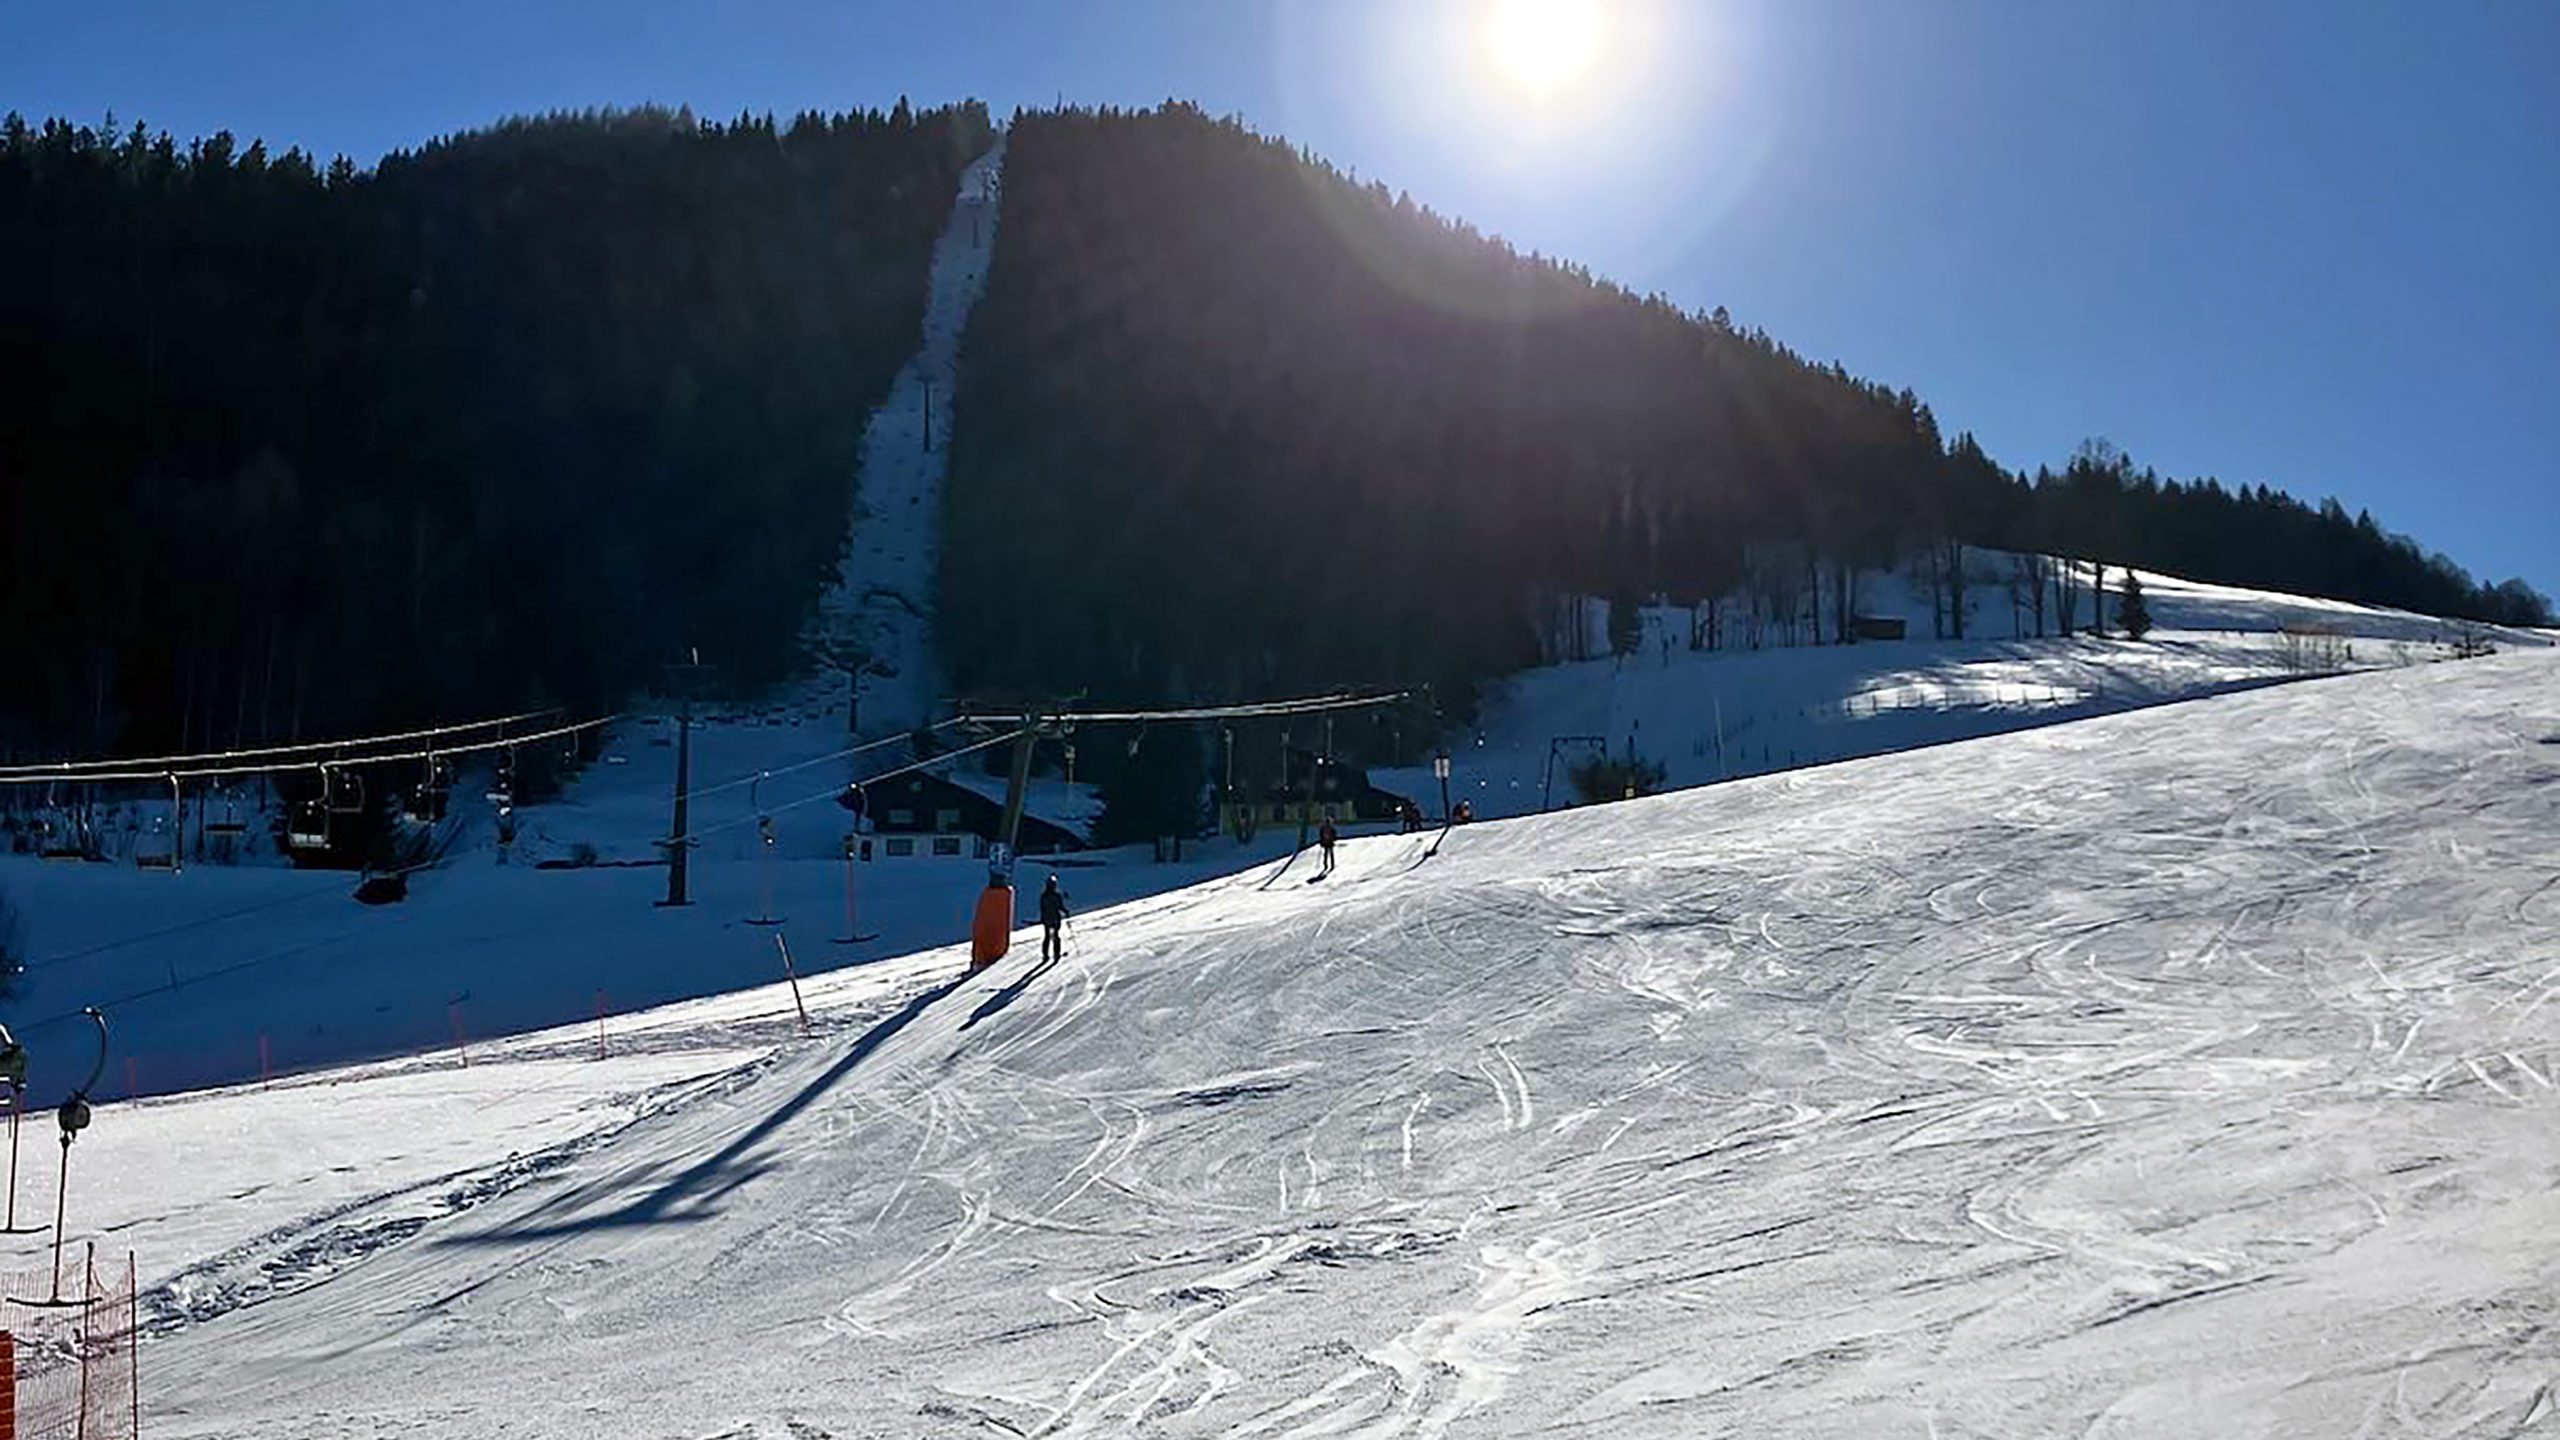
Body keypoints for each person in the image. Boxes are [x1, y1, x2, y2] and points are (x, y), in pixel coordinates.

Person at [1038, 874, 1069, 962]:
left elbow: (1042, 908)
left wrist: (1043, 918)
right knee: (1055, 936)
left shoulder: (1044, 896)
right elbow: (1060, 906)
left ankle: (1045, 955)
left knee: (1047, 936)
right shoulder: (1056, 895)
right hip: (1055, 918)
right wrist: (1065, 911)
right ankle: (1056, 954)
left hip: (1047, 918)